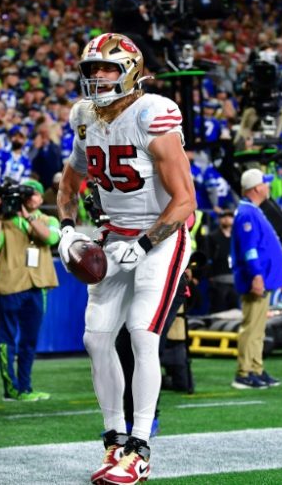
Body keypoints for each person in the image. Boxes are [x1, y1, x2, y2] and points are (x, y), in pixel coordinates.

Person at [57, 33, 194, 485]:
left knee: (141, 333)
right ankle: (114, 441)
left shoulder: (152, 112)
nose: (98, 76)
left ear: (131, 70)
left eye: (108, 68)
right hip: (113, 235)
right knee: (96, 338)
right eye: (92, 68)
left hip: (163, 233)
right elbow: (68, 183)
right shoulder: (83, 117)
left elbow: (185, 200)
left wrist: (147, 242)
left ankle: (139, 449)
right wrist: (66, 230)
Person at [0, 178, 59, 402]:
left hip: (37, 286)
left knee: (29, 340)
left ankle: (25, 387)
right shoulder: (5, 220)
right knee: (7, 338)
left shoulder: (48, 219)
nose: (33, 197)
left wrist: (28, 218)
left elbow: (50, 238)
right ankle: (11, 389)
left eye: (36, 193)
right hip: (11, 285)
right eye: (29, 194)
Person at [230, 169, 282, 389]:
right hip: (256, 279)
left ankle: (256, 368)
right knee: (251, 327)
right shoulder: (247, 213)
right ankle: (244, 373)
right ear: (256, 188)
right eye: (266, 183)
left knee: (258, 329)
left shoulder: (253, 211)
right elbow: (249, 250)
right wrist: (256, 275)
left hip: (263, 279)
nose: (269, 186)